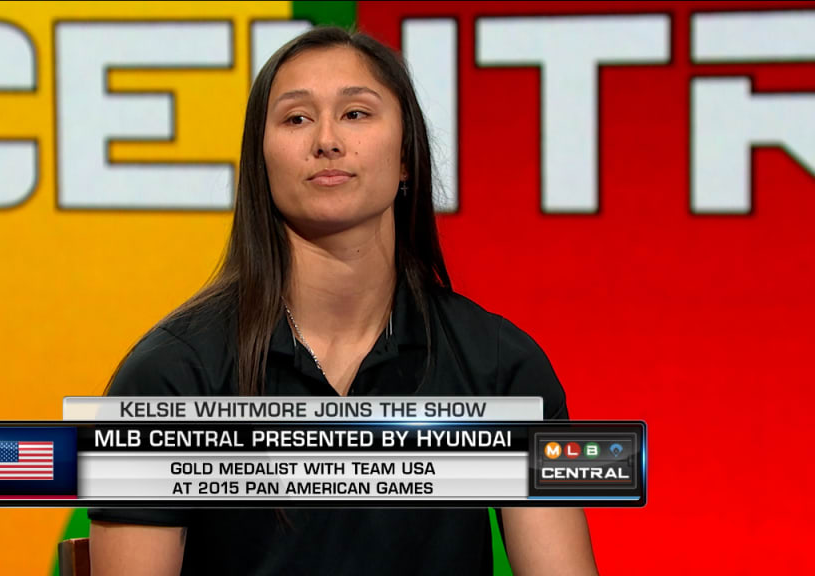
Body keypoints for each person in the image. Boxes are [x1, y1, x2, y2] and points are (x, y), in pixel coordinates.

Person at [88, 26, 598, 576]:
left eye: (356, 113)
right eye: (296, 118)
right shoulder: (170, 376)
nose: (327, 140)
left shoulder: (500, 366)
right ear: (260, 163)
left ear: (406, 158)